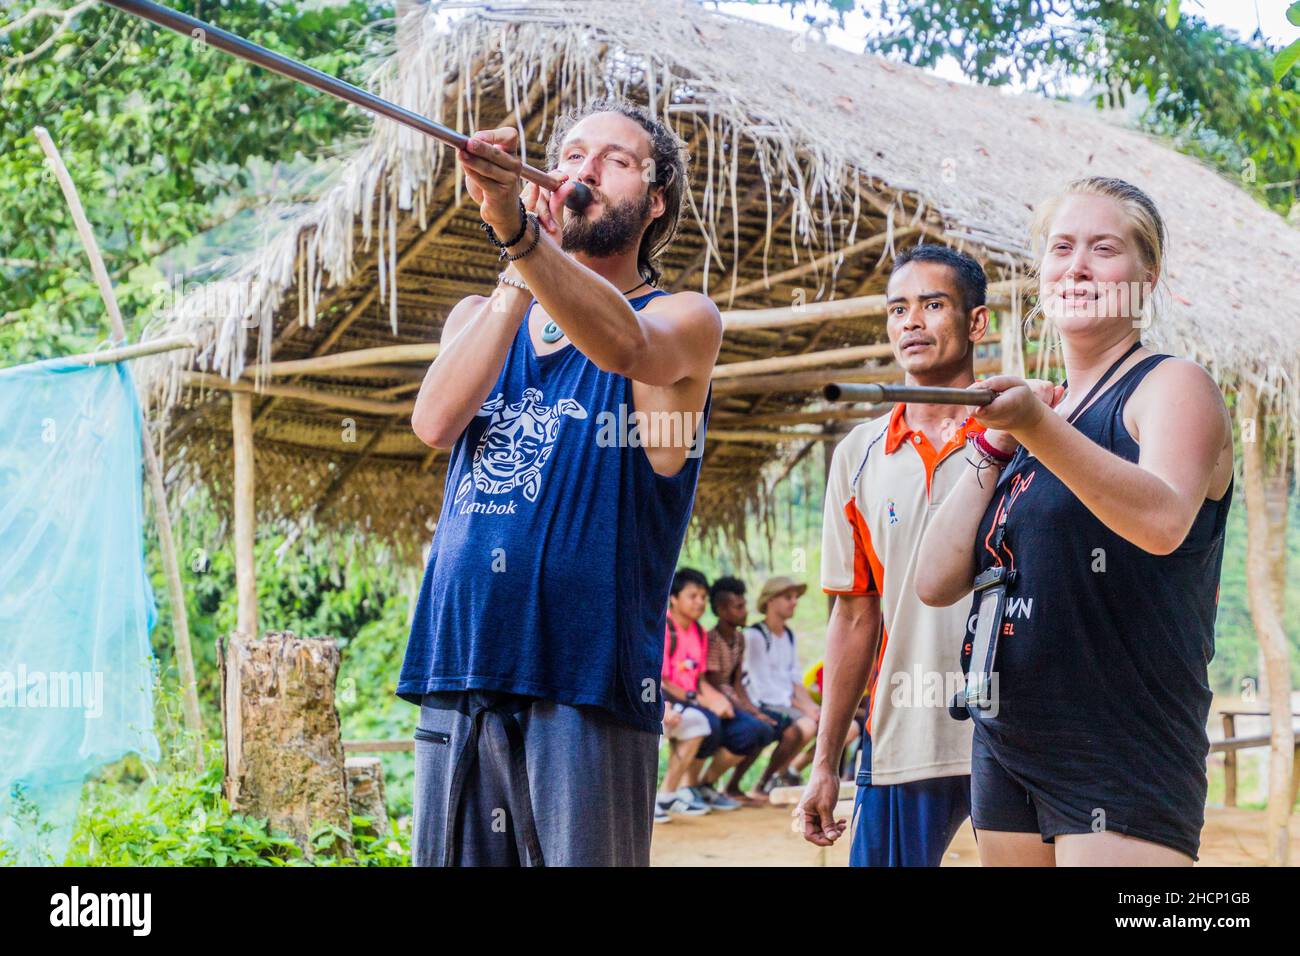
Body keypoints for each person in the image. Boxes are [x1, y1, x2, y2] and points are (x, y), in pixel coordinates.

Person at [398, 97, 723, 866]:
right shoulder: (480, 313)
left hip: (585, 677)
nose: (584, 169)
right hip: (459, 656)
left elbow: (623, 347)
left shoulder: (683, 318)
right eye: (572, 154)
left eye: (614, 159)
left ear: (656, 201)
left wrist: (523, 236)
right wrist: (522, 257)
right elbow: (435, 423)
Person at [915, 177, 1234, 866]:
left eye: (1104, 248)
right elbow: (936, 581)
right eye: (1061, 247)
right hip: (1009, 741)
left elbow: (1161, 520)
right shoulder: (1036, 418)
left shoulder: (1173, 386)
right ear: (1040, 275)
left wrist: (1036, 427)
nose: (1078, 265)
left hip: (1120, 744)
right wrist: (995, 444)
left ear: (1146, 277)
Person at [798, 245, 993, 866]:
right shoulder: (858, 455)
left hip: (1017, 731)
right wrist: (826, 762)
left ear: (976, 323)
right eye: (898, 309)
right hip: (901, 730)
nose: (911, 322)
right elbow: (854, 616)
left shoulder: (1026, 438)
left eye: (933, 305)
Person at [660, 568, 767, 812]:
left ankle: (699, 787)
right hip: (667, 699)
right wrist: (700, 699)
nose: (700, 602)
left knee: (750, 729)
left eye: (703, 597)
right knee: (708, 721)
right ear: (673, 598)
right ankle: (679, 791)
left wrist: (718, 699)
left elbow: (698, 679)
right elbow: (662, 680)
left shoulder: (698, 632)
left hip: (690, 699)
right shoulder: (664, 628)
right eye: (693, 596)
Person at [701, 576, 785, 805]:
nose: (745, 611)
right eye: (738, 607)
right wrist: (749, 713)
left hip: (733, 700)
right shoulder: (712, 639)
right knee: (754, 729)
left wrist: (754, 710)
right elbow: (718, 684)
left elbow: (737, 682)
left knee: (769, 728)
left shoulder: (739, 638)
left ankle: (722, 784)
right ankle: (705, 783)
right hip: (718, 703)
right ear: (721, 610)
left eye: (744, 605)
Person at [742, 576, 823, 793]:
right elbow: (763, 687)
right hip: (764, 703)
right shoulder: (754, 636)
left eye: (796, 597)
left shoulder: (788, 635)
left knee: (845, 728)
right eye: (788, 597)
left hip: (787, 703)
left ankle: (787, 773)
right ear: (770, 601)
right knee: (807, 726)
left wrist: (813, 708)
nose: (794, 601)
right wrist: (804, 708)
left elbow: (795, 679)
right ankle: (765, 781)